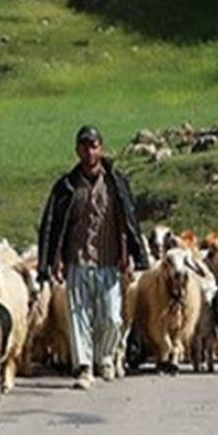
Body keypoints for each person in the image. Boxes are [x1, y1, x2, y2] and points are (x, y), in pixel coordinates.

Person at [37, 125, 148, 390]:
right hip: (77, 259)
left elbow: (128, 220)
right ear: (77, 150)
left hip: (109, 259)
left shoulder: (116, 183)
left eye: (94, 146)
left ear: (101, 148)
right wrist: (53, 259)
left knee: (111, 317)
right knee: (78, 315)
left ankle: (104, 356)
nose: (89, 152)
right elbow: (53, 225)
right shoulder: (66, 186)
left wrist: (131, 254)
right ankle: (84, 367)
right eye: (84, 147)